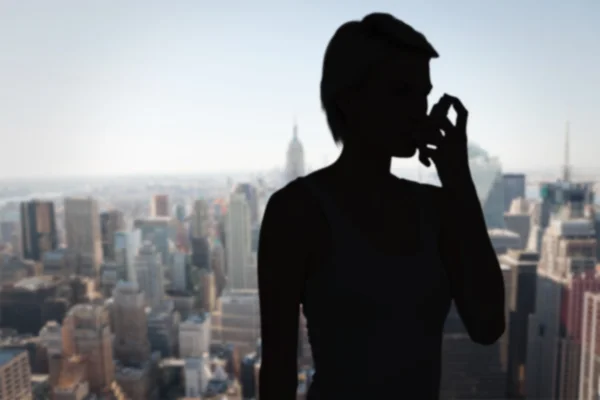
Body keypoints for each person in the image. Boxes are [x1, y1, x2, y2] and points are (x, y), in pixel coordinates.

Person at [258, 12, 505, 400]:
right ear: (350, 98)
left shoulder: (437, 208)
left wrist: (457, 175)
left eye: (423, 94)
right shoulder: (296, 213)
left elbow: (488, 324)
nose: (419, 109)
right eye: (401, 91)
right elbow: (277, 371)